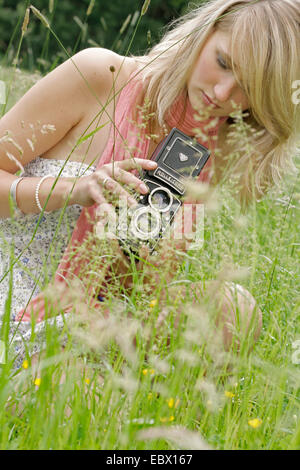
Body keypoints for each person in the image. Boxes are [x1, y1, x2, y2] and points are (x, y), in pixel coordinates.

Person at [0, 0, 299, 368]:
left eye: (247, 89)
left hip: (97, 314)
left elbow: (133, 289)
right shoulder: (101, 74)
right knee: (78, 390)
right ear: (204, 34)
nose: (223, 94)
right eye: (223, 63)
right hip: (15, 287)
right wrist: (71, 190)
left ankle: (156, 401)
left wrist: (139, 244)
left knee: (235, 310)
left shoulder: (208, 148)